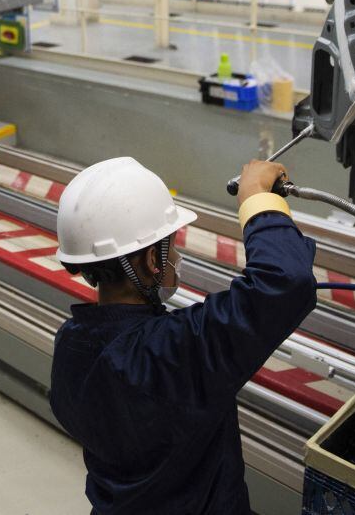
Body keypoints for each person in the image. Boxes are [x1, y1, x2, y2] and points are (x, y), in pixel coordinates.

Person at [50, 157, 316, 514]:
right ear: (152, 261)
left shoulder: (70, 343)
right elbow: (285, 281)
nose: (175, 256)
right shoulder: (172, 352)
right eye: (171, 246)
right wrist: (257, 198)